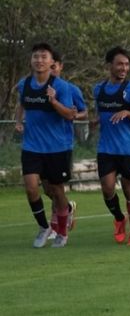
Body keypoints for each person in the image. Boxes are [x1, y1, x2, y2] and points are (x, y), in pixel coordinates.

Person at [14, 43, 76, 248]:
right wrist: (18, 121)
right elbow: (21, 103)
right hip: (32, 146)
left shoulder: (61, 86)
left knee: (55, 190)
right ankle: (43, 227)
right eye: (36, 57)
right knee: (31, 188)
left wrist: (54, 101)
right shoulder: (24, 84)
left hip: (56, 147)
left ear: (52, 63)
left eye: (43, 57)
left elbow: (70, 114)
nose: (39, 60)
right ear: (31, 61)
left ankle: (62, 232)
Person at [92, 47, 130, 245]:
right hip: (105, 148)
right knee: (107, 188)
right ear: (109, 66)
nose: (123, 68)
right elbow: (100, 114)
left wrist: (128, 113)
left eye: (126, 64)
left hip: (127, 149)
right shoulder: (98, 89)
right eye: (119, 64)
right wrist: (95, 121)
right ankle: (119, 218)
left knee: (128, 189)